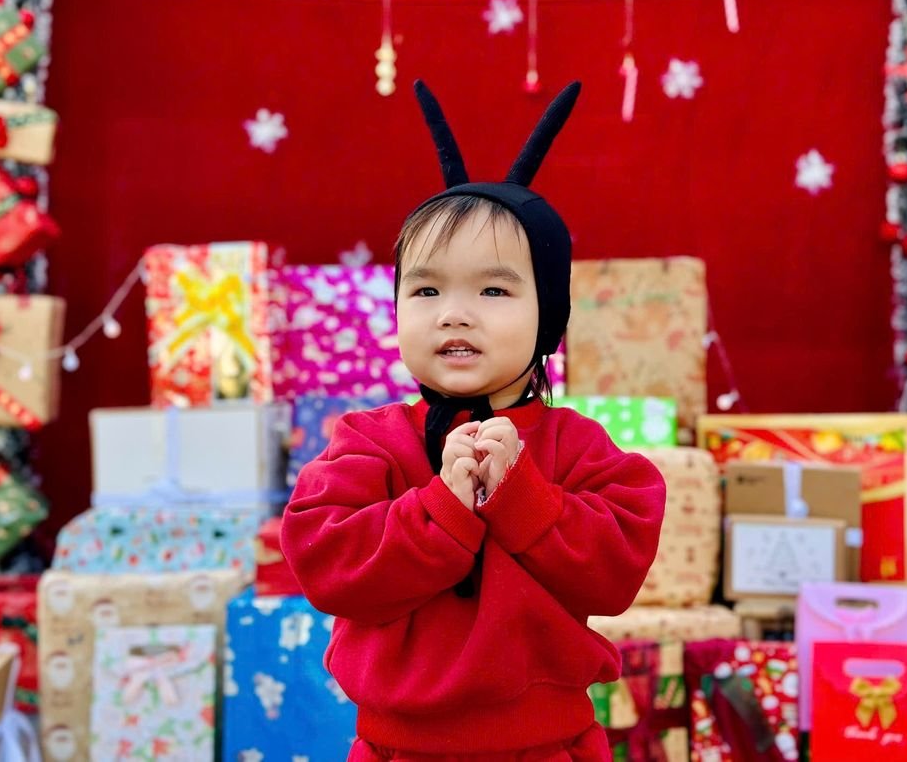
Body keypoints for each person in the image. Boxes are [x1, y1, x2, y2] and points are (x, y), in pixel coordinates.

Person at [281, 80, 666, 761]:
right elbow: (324, 561)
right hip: (398, 750)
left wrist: (523, 495)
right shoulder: (370, 441)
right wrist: (439, 510)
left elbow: (615, 573)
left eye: (493, 289)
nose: (453, 313)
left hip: (549, 747)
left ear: (549, 313)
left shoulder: (578, 446)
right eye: (426, 289)